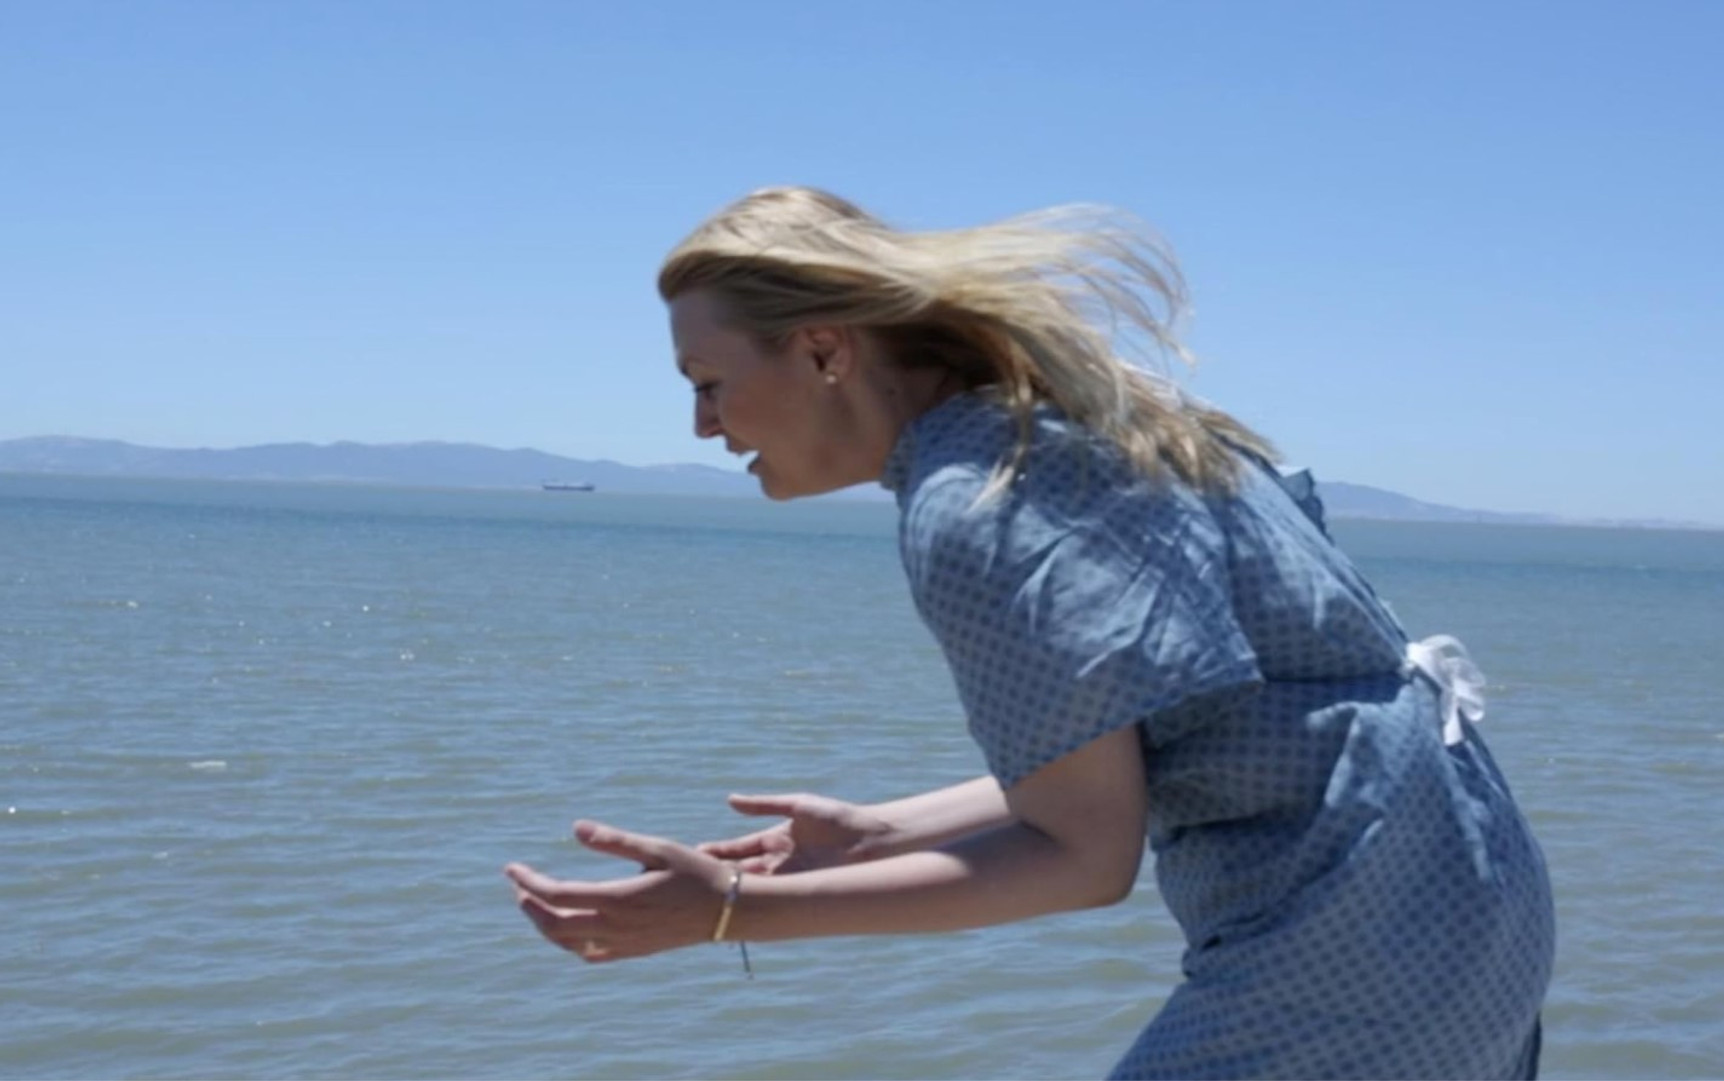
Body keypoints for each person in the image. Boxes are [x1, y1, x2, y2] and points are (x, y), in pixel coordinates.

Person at [506, 187, 1555, 1079]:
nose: (702, 426)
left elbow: (1081, 857)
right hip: (1472, 898)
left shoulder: (977, 501)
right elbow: (1162, 731)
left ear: (824, 349)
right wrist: (884, 832)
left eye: (707, 384)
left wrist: (733, 910)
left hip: (1354, 944)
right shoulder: (1078, 423)